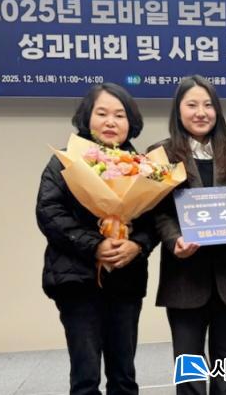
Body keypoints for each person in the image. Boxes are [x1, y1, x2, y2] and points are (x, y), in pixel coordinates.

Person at [36, 82, 157, 395]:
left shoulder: (144, 167)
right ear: (87, 118)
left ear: (131, 121)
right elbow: (49, 212)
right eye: (102, 113)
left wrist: (138, 245)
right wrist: (95, 245)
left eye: (119, 115)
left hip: (126, 278)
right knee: (85, 376)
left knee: (124, 375)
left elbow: (154, 219)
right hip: (77, 278)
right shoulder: (65, 161)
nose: (110, 121)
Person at [149, 75, 226, 395]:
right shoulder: (160, 154)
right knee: (190, 372)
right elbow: (156, 211)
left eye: (208, 105)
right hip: (185, 276)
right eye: (192, 105)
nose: (201, 112)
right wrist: (174, 240)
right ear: (178, 110)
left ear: (217, 111)